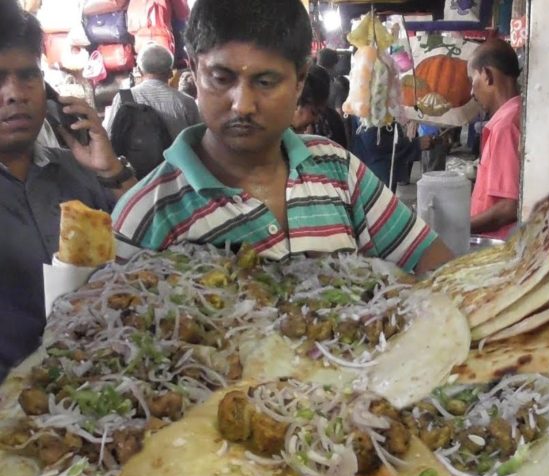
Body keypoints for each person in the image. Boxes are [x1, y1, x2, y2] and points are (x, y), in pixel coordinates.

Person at [112, 0, 453, 276]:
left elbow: (431, 259)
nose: (242, 105)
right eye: (220, 78)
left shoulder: (338, 170)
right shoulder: (146, 215)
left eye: (265, 81)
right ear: (194, 71)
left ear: (300, 80)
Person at [0, 3, 136, 379]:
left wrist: (111, 171)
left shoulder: (82, 169)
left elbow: (155, 245)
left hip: (107, 382)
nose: (15, 94)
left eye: (28, 76)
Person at [468, 38, 522, 240]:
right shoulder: (516, 114)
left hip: (500, 245)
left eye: (472, 81)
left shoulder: (505, 126)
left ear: (487, 75)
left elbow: (509, 207)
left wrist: (458, 227)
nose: (471, 92)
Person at [103, 44, 201, 138]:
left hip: (134, 155)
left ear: (139, 71)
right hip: (177, 155)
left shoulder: (123, 98)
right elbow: (200, 138)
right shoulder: (186, 102)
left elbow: (108, 135)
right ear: (171, 73)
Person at [292, 64, 347, 148]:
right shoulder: (275, 136)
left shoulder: (332, 121)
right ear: (297, 103)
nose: (317, 119)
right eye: (314, 112)